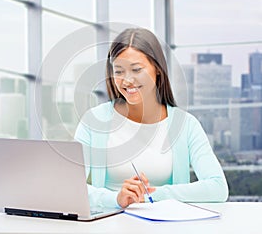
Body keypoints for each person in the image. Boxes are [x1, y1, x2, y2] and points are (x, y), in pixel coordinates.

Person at [74, 27, 229, 209]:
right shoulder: (94, 120)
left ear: (157, 69)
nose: (127, 80)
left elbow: (218, 188)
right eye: (119, 71)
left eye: (136, 69)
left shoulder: (186, 125)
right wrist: (116, 199)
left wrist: (153, 194)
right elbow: (71, 187)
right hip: (109, 223)